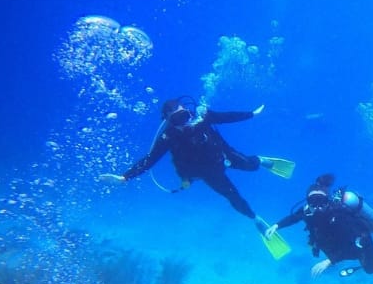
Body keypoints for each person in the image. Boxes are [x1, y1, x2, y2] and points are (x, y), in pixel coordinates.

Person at [100, 96, 294, 235]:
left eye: (185, 116)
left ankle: (261, 160)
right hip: (206, 172)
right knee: (232, 196)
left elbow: (227, 117)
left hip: (223, 157)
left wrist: (251, 114)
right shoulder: (169, 136)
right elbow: (149, 160)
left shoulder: (203, 117)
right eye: (177, 120)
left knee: (250, 165)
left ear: (188, 111)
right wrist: (126, 177)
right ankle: (255, 218)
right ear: (168, 121)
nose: (184, 122)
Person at [268, 173, 373, 277]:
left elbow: (350, 247)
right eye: (313, 202)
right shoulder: (307, 212)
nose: (317, 207)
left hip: (360, 239)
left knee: (369, 267)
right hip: (343, 241)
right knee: (372, 217)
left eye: (321, 202)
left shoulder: (337, 215)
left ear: (327, 201)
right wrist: (277, 225)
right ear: (307, 203)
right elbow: (293, 218)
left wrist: (330, 261)